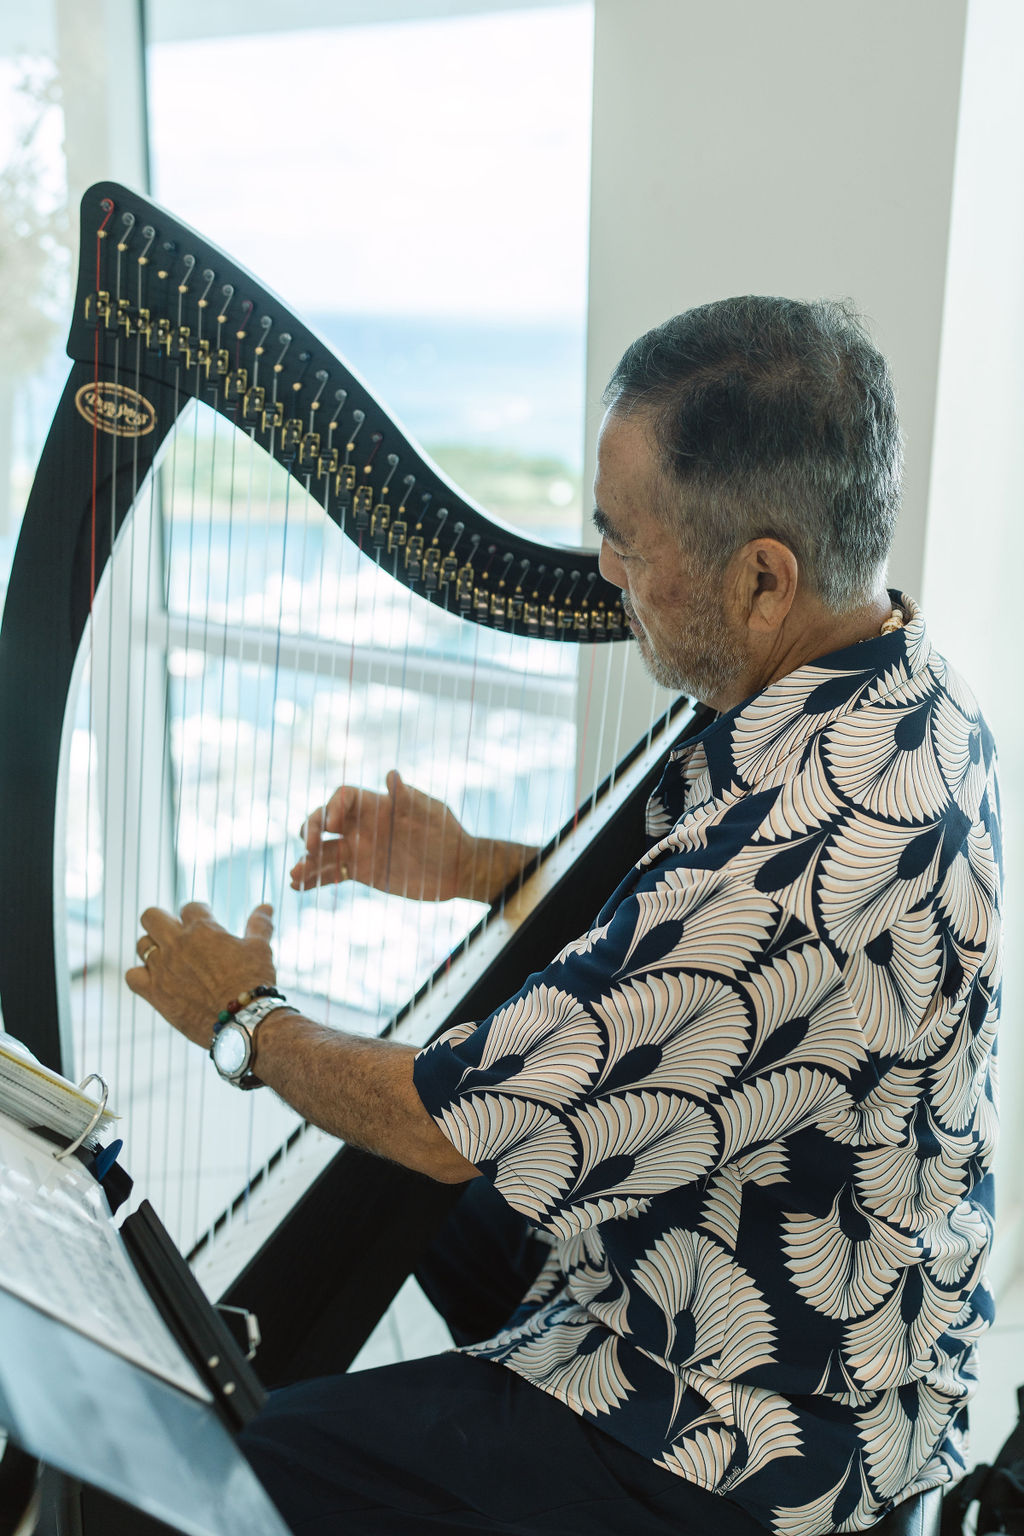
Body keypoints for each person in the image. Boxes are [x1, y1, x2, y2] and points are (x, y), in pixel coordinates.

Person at [126, 296, 1001, 1536]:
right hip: (829, 1287)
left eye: (627, 545)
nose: (604, 572)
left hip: (758, 1433)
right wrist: (476, 865)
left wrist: (242, 1018)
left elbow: (447, 1124)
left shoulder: (791, 866)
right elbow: (700, 974)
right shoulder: (905, 690)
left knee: (249, 1464)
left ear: (762, 577)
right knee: (416, 1221)